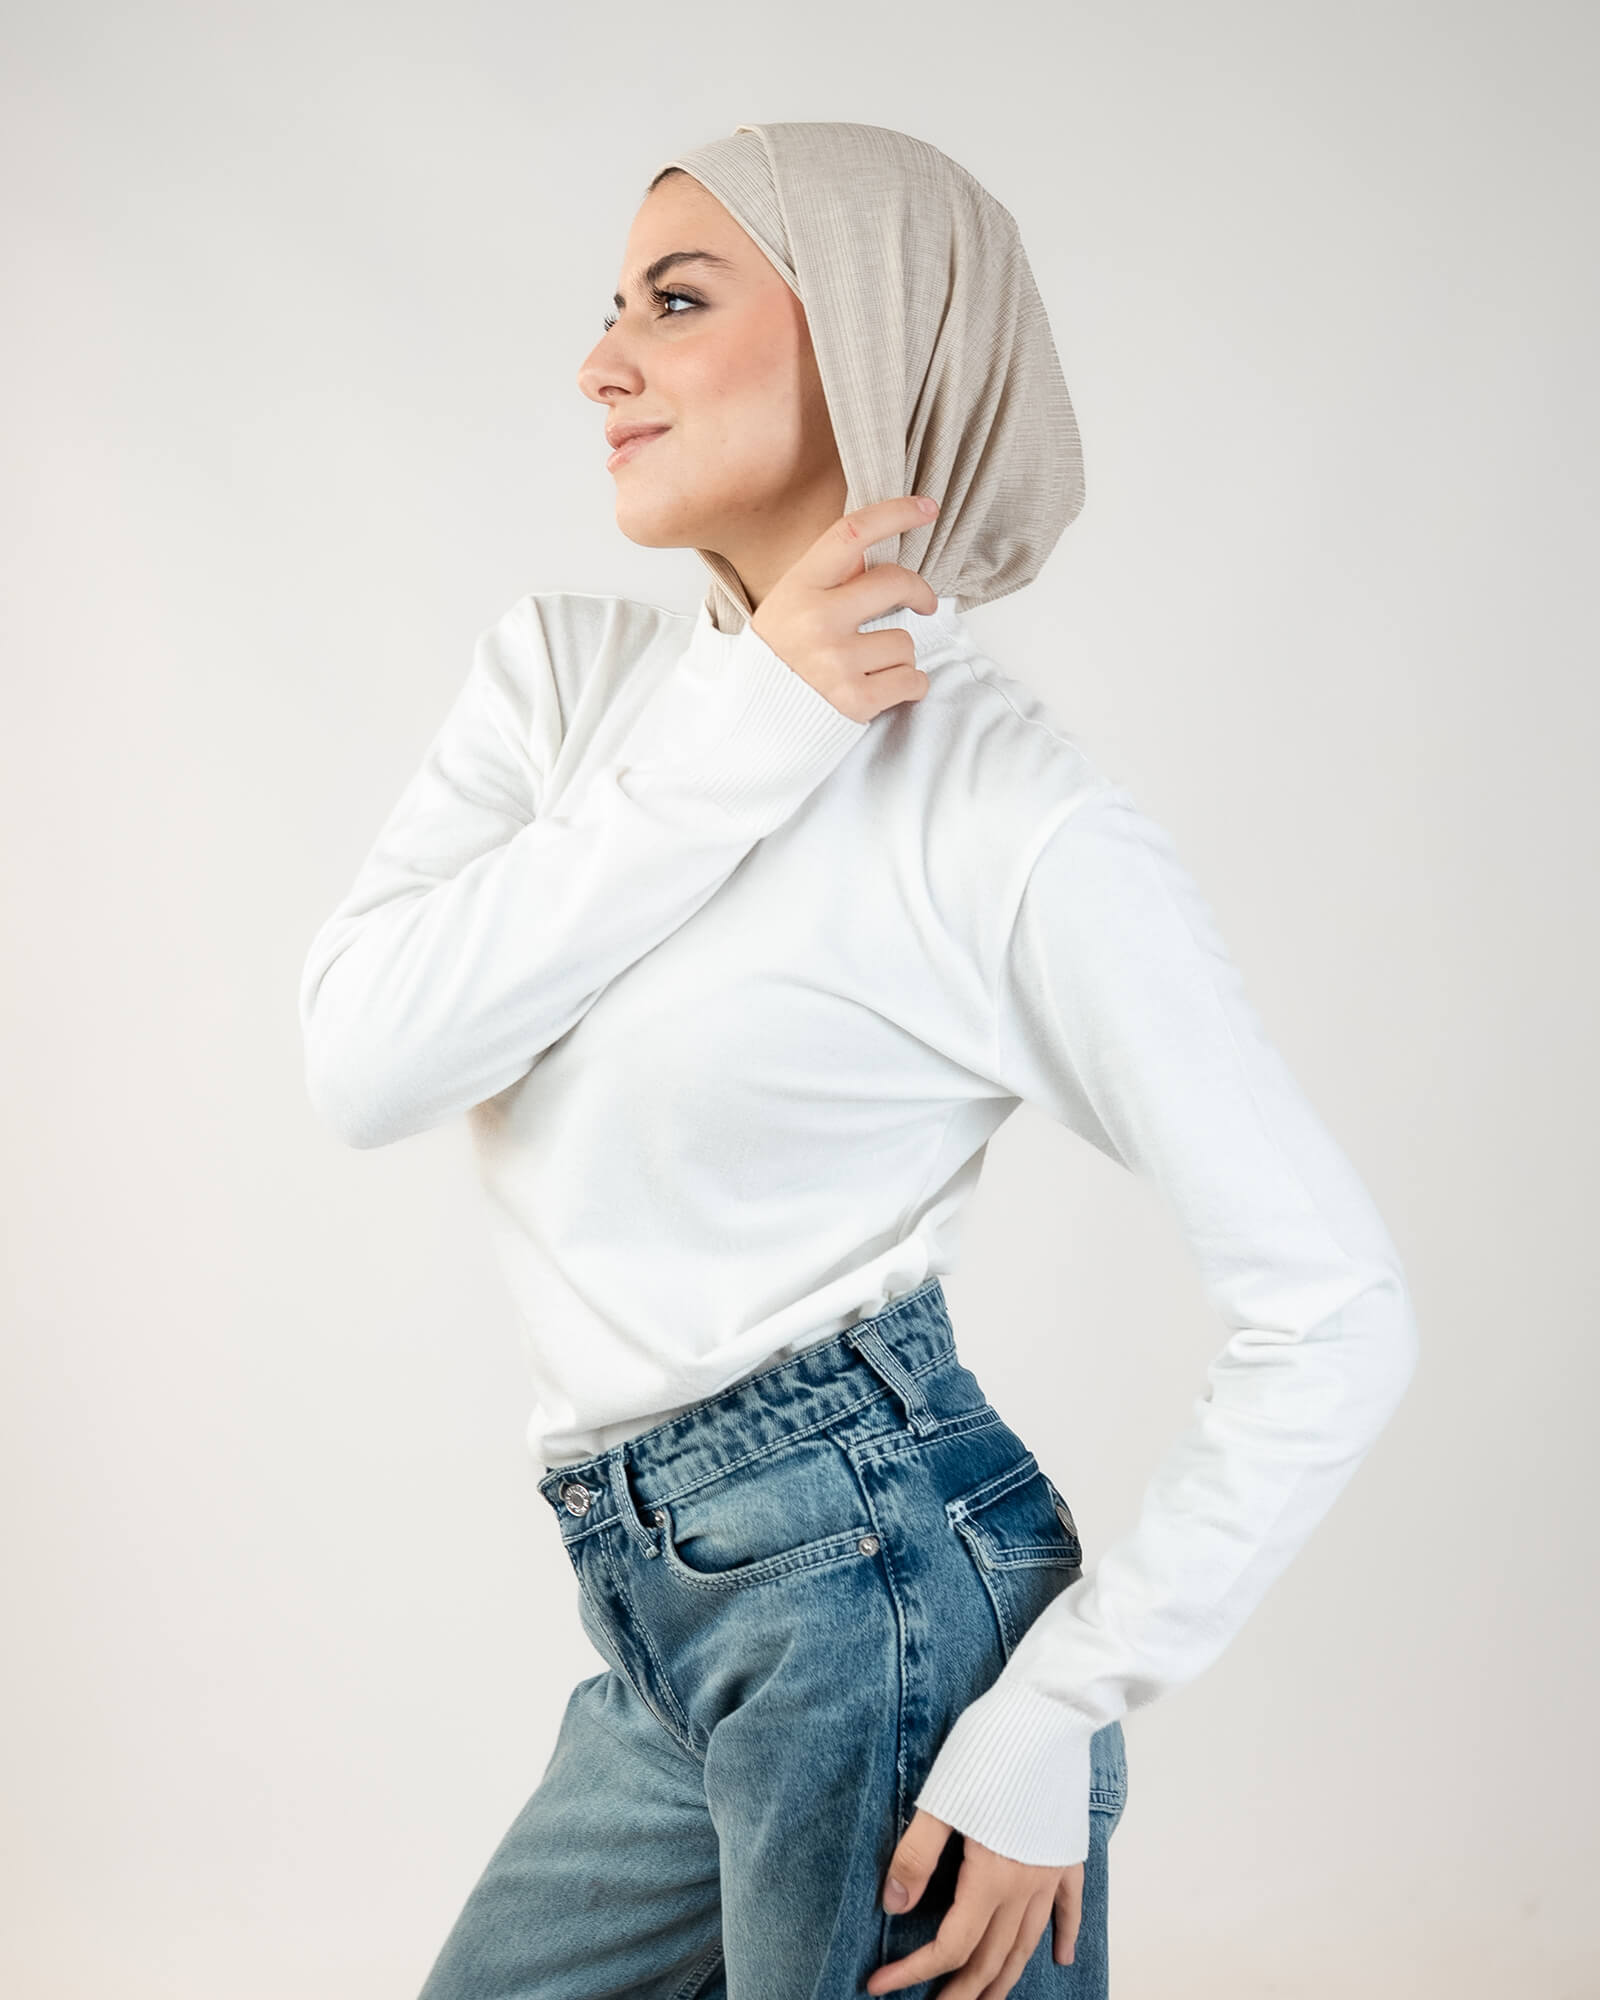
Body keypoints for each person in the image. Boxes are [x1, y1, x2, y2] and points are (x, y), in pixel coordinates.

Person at [298, 121, 1420, 2000]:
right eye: (610, 307)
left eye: (676, 301)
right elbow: (366, 1061)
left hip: (885, 1613)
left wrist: (1057, 1709)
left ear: (873, 340)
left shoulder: (1006, 810)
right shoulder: (561, 685)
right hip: (662, 1625)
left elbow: (1337, 1311)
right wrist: (754, 716)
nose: (600, 364)